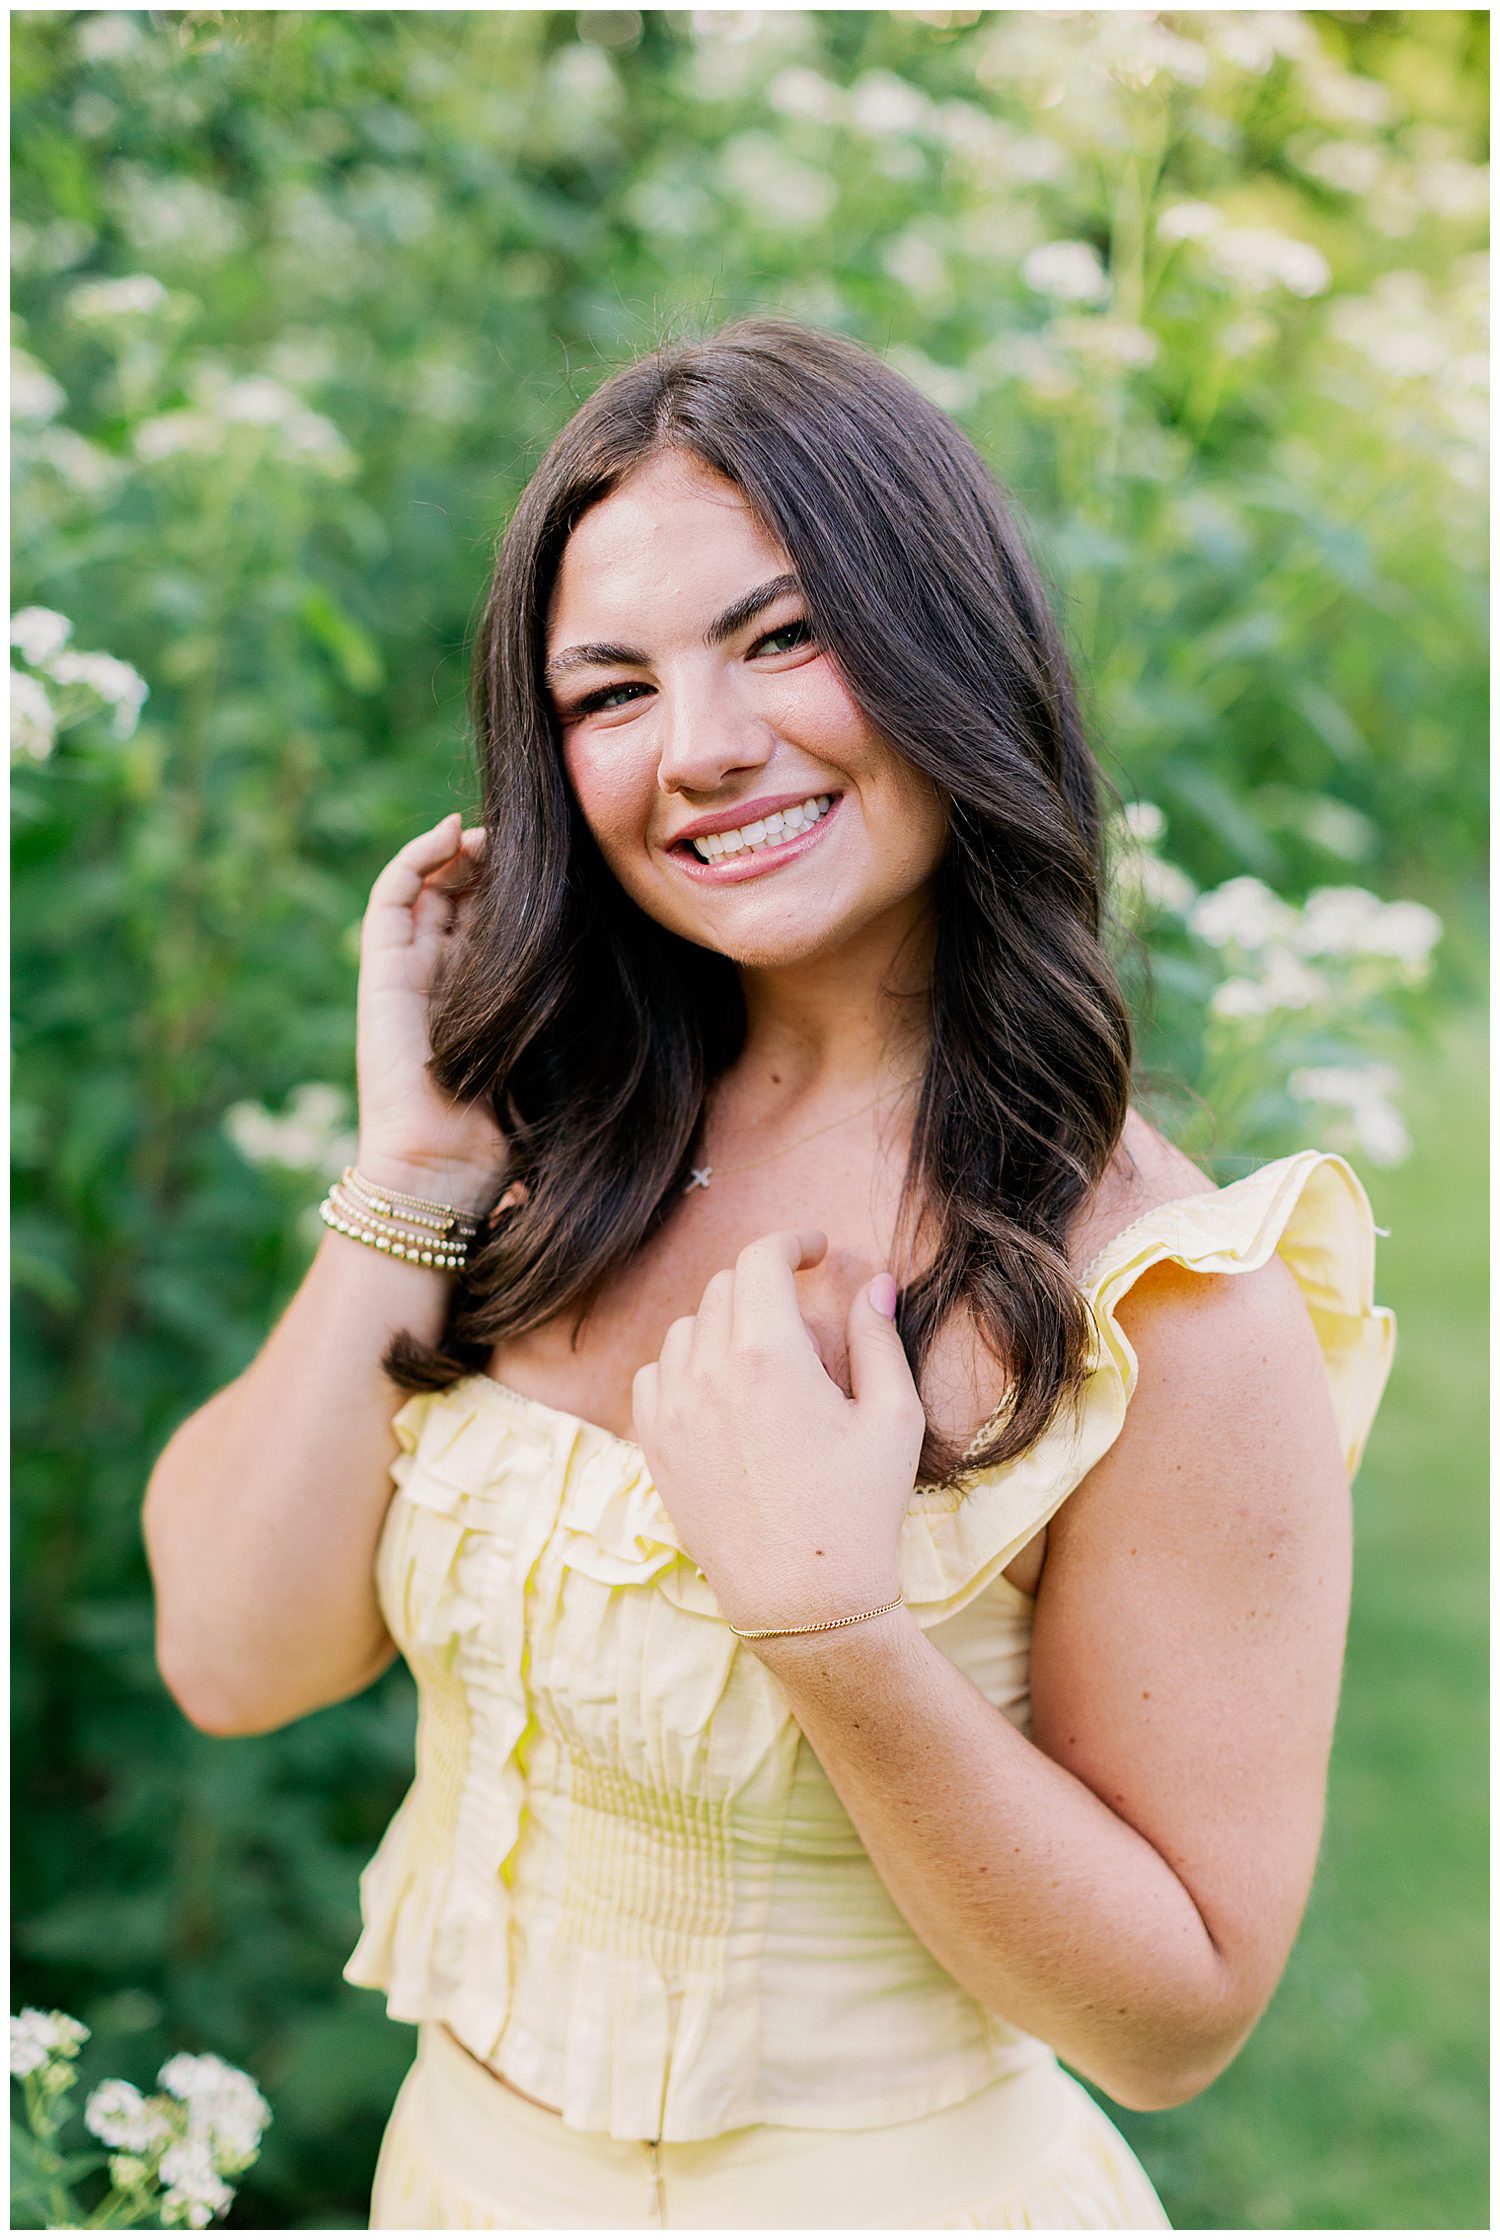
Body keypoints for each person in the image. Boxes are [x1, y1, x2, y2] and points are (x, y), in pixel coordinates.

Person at [144, 318, 1397, 2230]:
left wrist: (834, 1631)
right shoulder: (569, 1152)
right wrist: (412, 1173)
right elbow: (233, 1658)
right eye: (612, 690)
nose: (705, 749)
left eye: (786, 636)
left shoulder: (1165, 1295)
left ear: (944, 646)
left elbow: (1176, 2022)